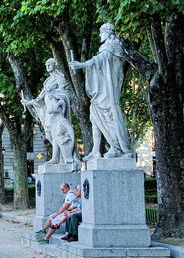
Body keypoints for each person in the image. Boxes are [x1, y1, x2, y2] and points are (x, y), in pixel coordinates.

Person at [69, 23, 132, 160]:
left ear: (108, 33)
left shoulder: (112, 47)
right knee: (95, 117)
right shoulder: (108, 48)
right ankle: (96, 151)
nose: (99, 35)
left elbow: (99, 60)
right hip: (102, 89)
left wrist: (82, 65)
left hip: (107, 91)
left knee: (109, 117)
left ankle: (117, 147)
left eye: (101, 32)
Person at [21, 58, 80, 170]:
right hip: (49, 112)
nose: (47, 66)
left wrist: (58, 105)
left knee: (57, 134)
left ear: (55, 65)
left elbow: (65, 94)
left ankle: (56, 158)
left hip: (57, 112)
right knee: (51, 135)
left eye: (50, 64)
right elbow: (39, 99)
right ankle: (55, 157)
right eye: (46, 64)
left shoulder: (60, 78)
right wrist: (27, 102)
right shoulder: (47, 81)